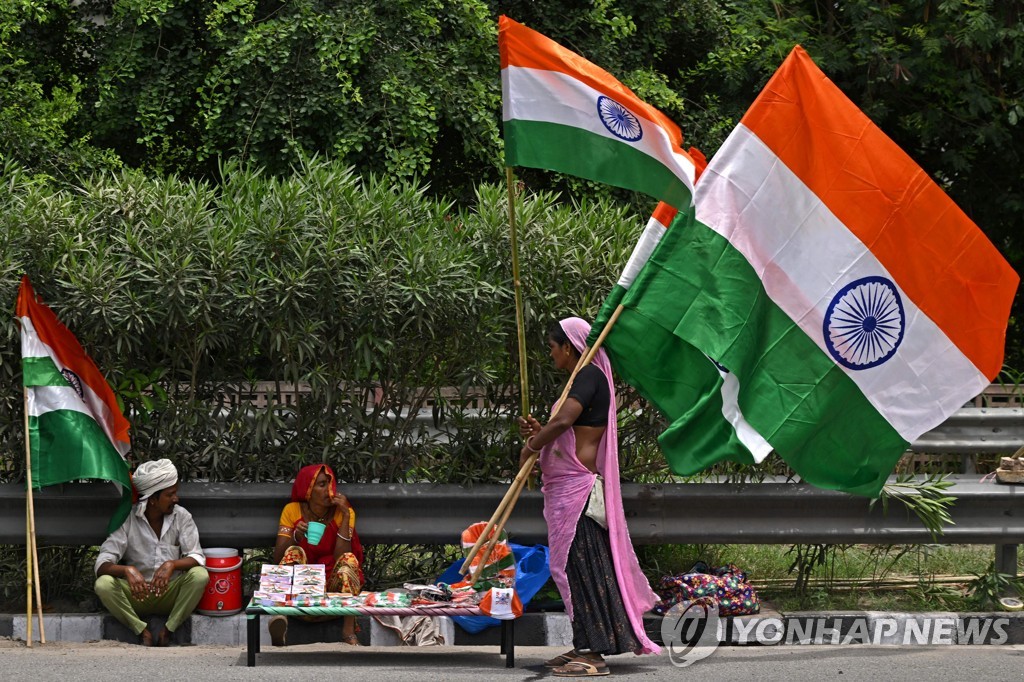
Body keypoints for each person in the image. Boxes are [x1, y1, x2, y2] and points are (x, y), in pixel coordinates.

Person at [518, 317, 659, 677]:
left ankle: (595, 652)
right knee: (576, 567)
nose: (551, 354)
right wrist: (540, 433)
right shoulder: (583, 378)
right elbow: (565, 429)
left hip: (576, 490)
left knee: (573, 567)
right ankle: (587, 642)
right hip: (569, 488)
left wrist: (533, 444)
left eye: (552, 347)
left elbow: (564, 422)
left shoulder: (588, 376)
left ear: (568, 345)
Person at [94, 459, 208, 646]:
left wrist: (171, 564)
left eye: (175, 493)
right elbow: (102, 564)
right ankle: (141, 631)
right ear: (152, 500)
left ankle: (168, 631)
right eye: (170, 494)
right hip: (138, 594)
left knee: (199, 575)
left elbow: (196, 557)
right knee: (104, 584)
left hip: (170, 593)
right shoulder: (127, 520)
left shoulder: (182, 516)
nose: (176, 499)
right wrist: (126, 571)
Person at [268, 463, 364, 647]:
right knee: (293, 551)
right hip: (302, 588)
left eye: (330, 483)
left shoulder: (345, 512)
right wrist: (296, 536)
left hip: (332, 590)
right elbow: (278, 557)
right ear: (308, 490)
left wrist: (344, 517)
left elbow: (341, 556)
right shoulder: (292, 510)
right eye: (322, 485)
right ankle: (279, 617)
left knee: (349, 560)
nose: (330, 489)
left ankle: (349, 633)